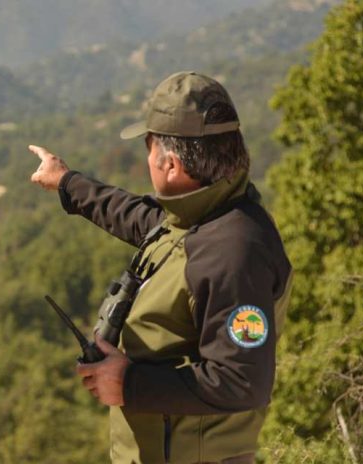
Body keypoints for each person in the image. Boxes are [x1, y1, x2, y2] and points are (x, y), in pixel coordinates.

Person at [28, 71, 292, 464]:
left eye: (149, 151)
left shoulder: (235, 251)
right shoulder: (196, 218)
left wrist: (128, 383)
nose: (146, 163)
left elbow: (242, 382)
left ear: (171, 166)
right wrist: (67, 182)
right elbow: (135, 215)